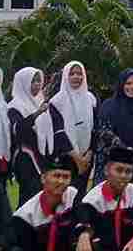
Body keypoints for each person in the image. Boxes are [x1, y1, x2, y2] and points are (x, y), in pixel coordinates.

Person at [42, 61, 99, 193]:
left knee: (80, 194)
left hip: (87, 157)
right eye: (72, 74)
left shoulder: (91, 99)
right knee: (65, 195)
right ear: (66, 76)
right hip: (66, 158)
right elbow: (58, 132)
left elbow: (95, 129)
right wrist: (77, 159)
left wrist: (88, 155)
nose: (76, 77)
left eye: (79, 74)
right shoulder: (57, 101)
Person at [8, 67, 49, 205]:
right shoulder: (15, 106)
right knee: (28, 197)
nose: (37, 84)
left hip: (41, 156)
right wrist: (37, 114)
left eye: (39, 81)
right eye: (33, 81)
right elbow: (18, 129)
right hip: (25, 158)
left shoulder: (40, 101)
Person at [96, 68, 133, 177]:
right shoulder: (109, 105)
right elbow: (103, 131)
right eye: (128, 83)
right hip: (111, 162)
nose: (132, 87)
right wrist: (124, 148)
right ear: (121, 84)